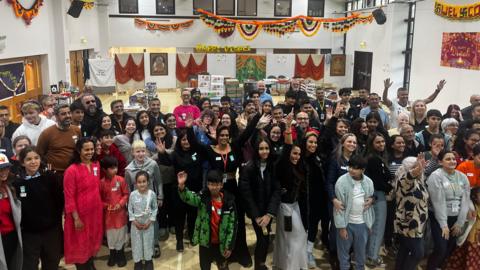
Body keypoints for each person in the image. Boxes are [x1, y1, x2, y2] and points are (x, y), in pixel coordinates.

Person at [13, 146, 63, 270]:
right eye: (29, 159)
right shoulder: (17, 183)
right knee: (29, 265)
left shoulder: (50, 177)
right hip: (29, 234)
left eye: (36, 158)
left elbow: (59, 201)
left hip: (51, 231)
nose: (33, 161)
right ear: (22, 163)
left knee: (52, 262)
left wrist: (55, 223)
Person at [177, 170, 235, 270]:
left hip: (221, 244)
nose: (214, 187)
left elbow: (232, 225)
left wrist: (229, 246)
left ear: (221, 185)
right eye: (211, 184)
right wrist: (182, 186)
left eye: (217, 184)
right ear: (207, 184)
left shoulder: (229, 202)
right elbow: (189, 198)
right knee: (204, 267)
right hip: (205, 244)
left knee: (223, 267)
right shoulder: (203, 198)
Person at [273, 110, 308, 270]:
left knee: (296, 237)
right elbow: (287, 148)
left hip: (295, 206)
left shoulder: (298, 166)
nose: (296, 156)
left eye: (299, 154)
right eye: (294, 154)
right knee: (290, 237)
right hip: (285, 208)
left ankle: (293, 264)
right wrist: (287, 127)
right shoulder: (283, 164)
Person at [239, 137, 281, 270]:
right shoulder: (248, 168)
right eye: (261, 148)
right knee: (263, 239)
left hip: (267, 212)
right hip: (256, 212)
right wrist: (256, 215)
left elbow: (277, 190)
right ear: (256, 150)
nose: (264, 151)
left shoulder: (273, 166)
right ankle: (259, 265)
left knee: (266, 239)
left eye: (267, 148)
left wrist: (269, 214)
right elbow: (246, 195)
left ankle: (260, 264)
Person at [426, 150, 470, 270]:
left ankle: (438, 267)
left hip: (456, 218)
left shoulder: (462, 177)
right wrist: (443, 224)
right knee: (441, 248)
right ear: (440, 162)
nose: (452, 161)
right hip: (438, 217)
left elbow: (465, 200)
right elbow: (437, 202)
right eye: (448, 159)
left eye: (453, 159)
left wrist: (460, 222)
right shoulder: (436, 176)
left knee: (450, 248)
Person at [63, 137, 103, 269]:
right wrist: (76, 218)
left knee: (92, 240)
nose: (90, 152)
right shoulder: (71, 170)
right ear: (79, 150)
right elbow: (69, 197)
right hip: (79, 215)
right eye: (86, 149)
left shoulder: (96, 164)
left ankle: (90, 264)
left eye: (92, 149)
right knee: (80, 243)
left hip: (95, 212)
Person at [334, 155, 375, 270]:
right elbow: (338, 208)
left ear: (363, 170)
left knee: (361, 257)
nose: (351, 170)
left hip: (362, 224)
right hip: (346, 224)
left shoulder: (368, 182)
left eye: (355, 168)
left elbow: (370, 204)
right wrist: (342, 227)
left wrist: (369, 224)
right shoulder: (341, 181)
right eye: (350, 166)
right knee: (343, 257)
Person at [124, 140, 163, 258]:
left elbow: (159, 181)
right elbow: (128, 188)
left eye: (143, 151)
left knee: (153, 222)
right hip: (137, 203)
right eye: (137, 151)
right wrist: (128, 205)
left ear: (146, 151)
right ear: (133, 153)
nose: (140, 154)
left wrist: (160, 196)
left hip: (151, 200)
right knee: (140, 223)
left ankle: (155, 243)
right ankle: (141, 245)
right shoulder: (128, 170)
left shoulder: (153, 164)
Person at [394, 155, 429, 270]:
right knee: (418, 253)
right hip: (408, 224)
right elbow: (408, 178)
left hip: (417, 224)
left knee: (404, 250)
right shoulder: (403, 181)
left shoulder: (419, 181)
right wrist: (416, 170)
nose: (419, 169)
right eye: (414, 167)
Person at [301, 132, 330, 268]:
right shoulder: (299, 158)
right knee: (308, 225)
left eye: (315, 142)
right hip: (305, 198)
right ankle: (305, 251)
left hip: (321, 197)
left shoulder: (319, 157)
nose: (313, 145)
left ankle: (311, 249)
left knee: (317, 224)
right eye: (310, 142)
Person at [364, 132, 391, 267]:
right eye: (378, 142)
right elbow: (378, 182)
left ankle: (370, 253)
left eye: (383, 142)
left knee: (373, 226)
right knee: (377, 227)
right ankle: (372, 256)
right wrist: (390, 187)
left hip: (377, 194)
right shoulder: (373, 159)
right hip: (377, 195)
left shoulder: (377, 157)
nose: (381, 144)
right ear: (372, 144)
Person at [99, 156, 128, 267]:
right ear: (104, 170)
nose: (115, 170)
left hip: (120, 215)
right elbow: (99, 200)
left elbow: (126, 194)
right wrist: (107, 206)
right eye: (111, 168)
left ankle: (121, 254)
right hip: (108, 216)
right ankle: (112, 254)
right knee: (111, 236)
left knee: (121, 235)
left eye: (115, 167)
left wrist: (120, 204)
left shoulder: (121, 180)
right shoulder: (101, 183)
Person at [36, 104, 81, 173]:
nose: (68, 116)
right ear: (56, 116)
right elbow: (39, 154)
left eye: (69, 113)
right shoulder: (47, 133)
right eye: (63, 114)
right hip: (55, 173)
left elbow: (80, 149)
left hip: (74, 171)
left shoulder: (76, 130)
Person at [128, 171, 158, 270]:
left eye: (144, 181)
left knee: (148, 242)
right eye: (139, 182)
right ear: (136, 183)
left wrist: (150, 221)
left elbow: (155, 208)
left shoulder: (152, 194)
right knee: (137, 243)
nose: (142, 184)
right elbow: (130, 209)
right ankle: (138, 262)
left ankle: (149, 260)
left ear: (148, 182)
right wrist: (134, 221)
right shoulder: (132, 194)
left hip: (148, 224)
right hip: (135, 225)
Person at [444, 187, 480, 270]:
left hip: (477, 238)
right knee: (466, 255)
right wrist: (468, 216)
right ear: (474, 195)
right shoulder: (470, 205)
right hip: (469, 237)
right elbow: (462, 217)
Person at [0, 154, 22, 270]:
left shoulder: (9, 188)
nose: (4, 172)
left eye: (6, 168)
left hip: (12, 237)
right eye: (0, 169)